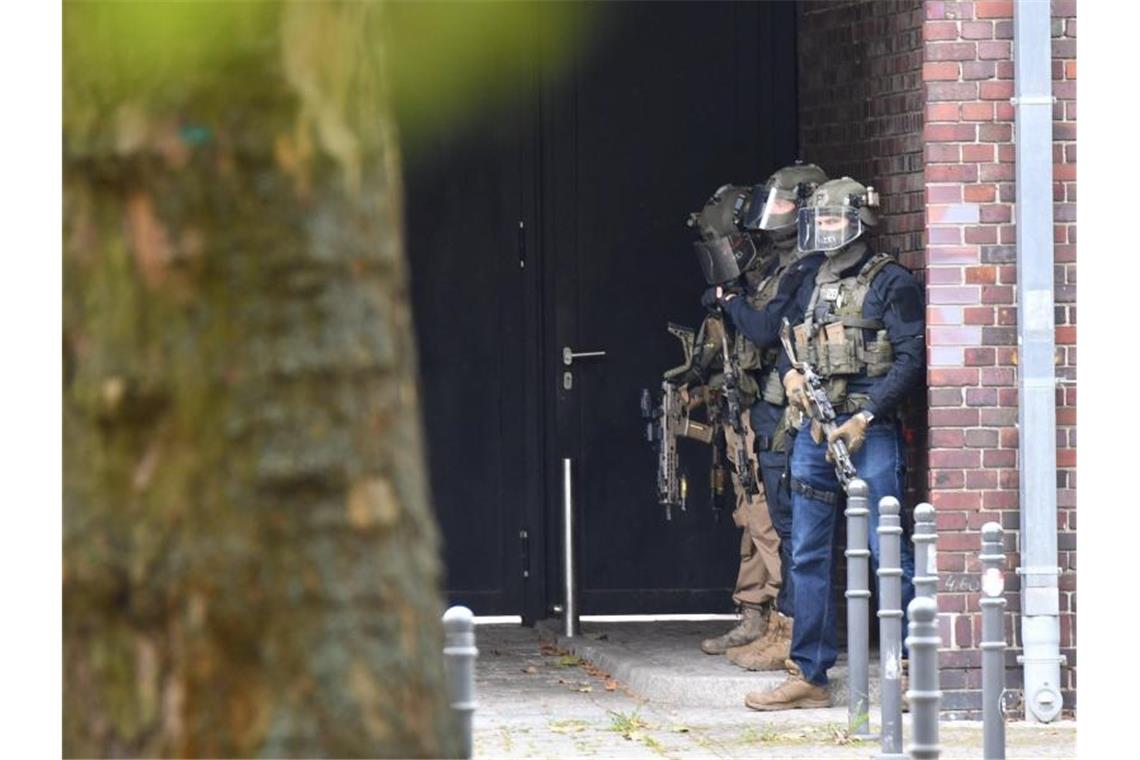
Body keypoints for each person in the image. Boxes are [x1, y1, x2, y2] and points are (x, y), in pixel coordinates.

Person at [738, 177, 924, 711]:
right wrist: (791, 378)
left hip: (869, 432)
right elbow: (787, 340)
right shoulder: (811, 278)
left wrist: (867, 414)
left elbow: (912, 359)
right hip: (814, 431)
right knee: (807, 552)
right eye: (817, 221)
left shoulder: (891, 282)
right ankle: (808, 674)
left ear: (858, 222)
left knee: (887, 549)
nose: (824, 231)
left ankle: (910, 666)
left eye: (834, 221)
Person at [714, 162, 830, 671]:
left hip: (786, 410)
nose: (770, 216)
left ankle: (792, 635)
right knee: (767, 516)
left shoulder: (807, 267)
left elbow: (765, 329)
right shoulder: (781, 263)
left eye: (781, 205)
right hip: (763, 402)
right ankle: (774, 623)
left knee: (785, 523)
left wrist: (732, 302)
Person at [684, 182, 782, 655]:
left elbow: (764, 339)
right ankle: (753, 616)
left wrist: (731, 303)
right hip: (739, 414)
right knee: (749, 517)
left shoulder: (777, 283)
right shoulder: (748, 286)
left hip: (768, 417)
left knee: (765, 519)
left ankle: (784, 623)